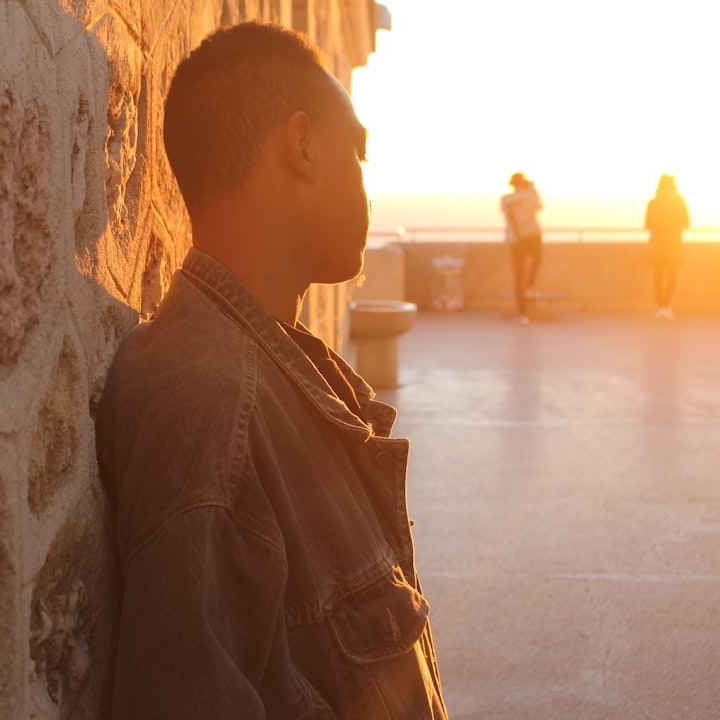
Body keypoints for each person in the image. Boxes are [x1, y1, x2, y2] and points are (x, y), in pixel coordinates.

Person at [95, 21, 448, 720]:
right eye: (358, 152)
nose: (366, 183)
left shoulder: (260, 374)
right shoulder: (210, 404)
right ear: (304, 146)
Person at [500, 172, 544, 324]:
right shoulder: (531, 197)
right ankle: (530, 284)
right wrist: (531, 190)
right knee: (536, 261)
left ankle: (522, 312)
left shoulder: (506, 200)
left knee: (519, 277)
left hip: (517, 240)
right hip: (532, 237)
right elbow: (540, 205)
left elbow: (504, 207)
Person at [645, 174, 690, 320]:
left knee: (658, 277)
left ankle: (660, 307)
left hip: (657, 245)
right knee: (672, 277)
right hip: (674, 245)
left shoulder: (653, 202)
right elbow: (687, 222)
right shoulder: (679, 202)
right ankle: (667, 306)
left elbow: (647, 224)